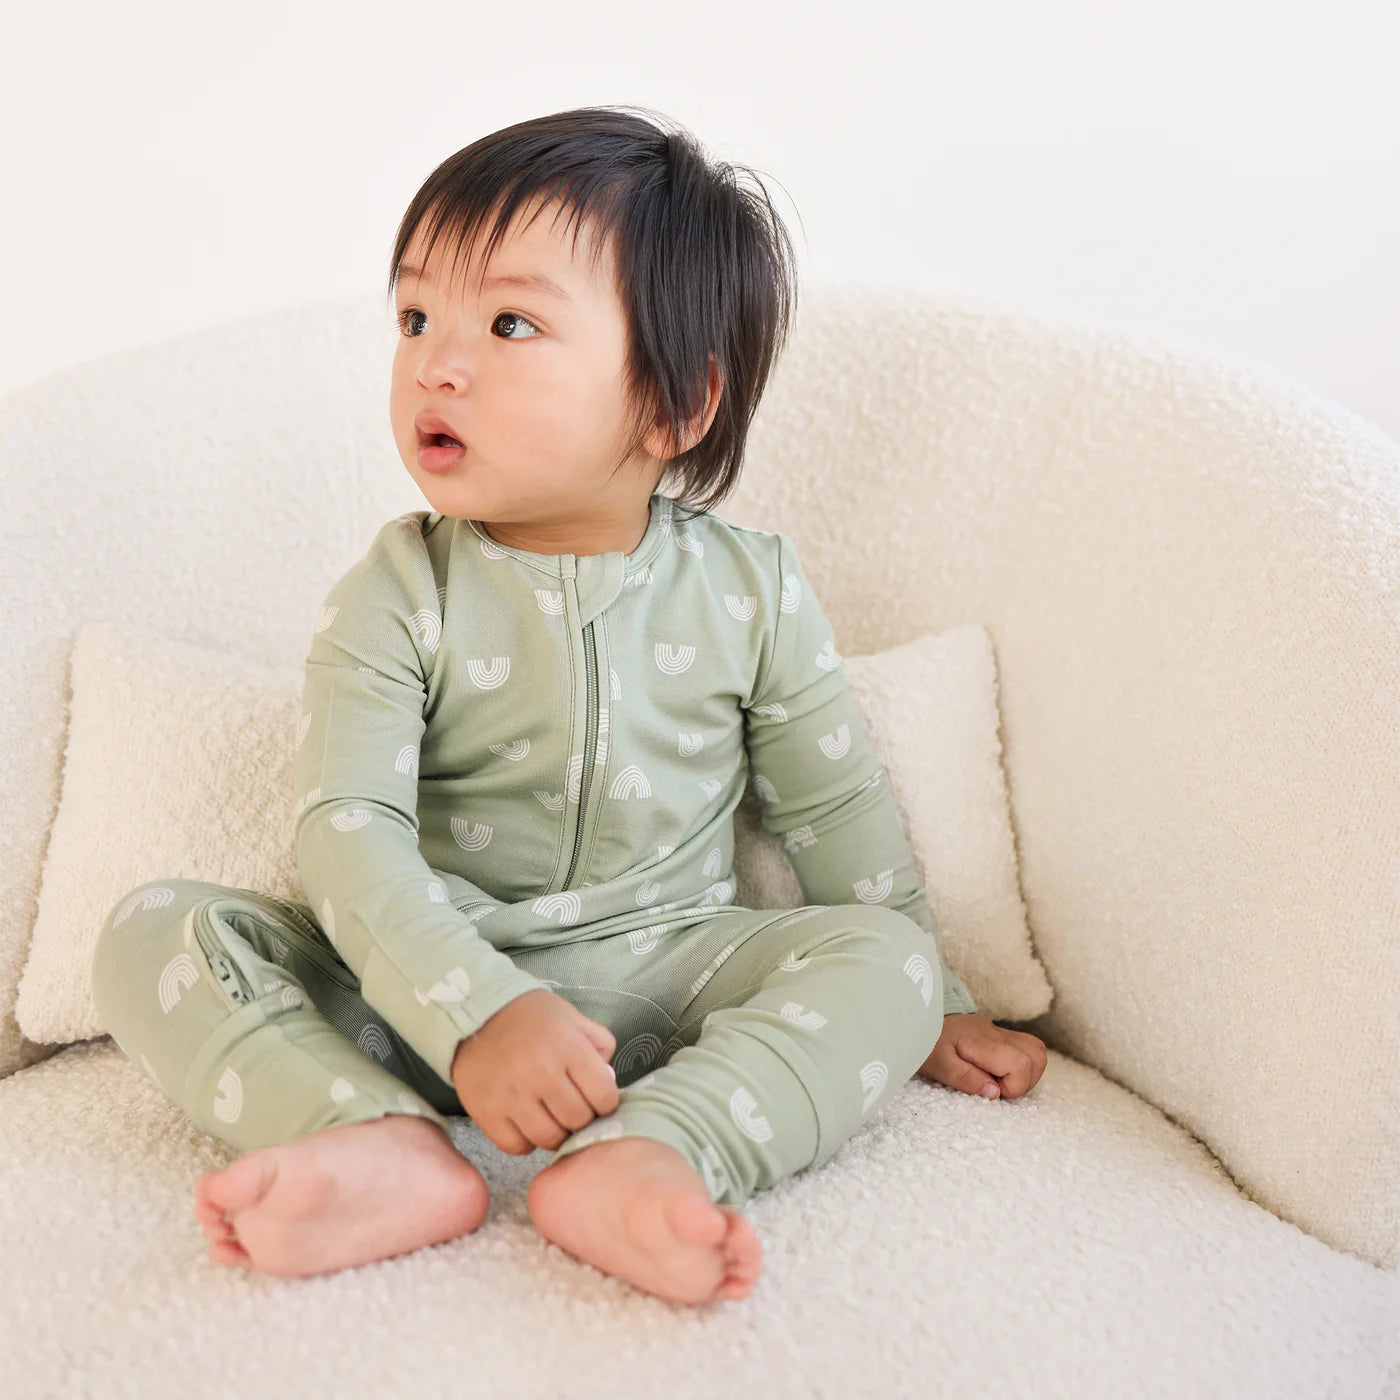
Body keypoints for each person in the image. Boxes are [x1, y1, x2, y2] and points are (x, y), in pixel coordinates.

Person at [91, 104, 1047, 1307]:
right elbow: (347, 832)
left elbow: (835, 811)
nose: (436, 360)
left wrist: (937, 999)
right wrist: (476, 1009)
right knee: (153, 930)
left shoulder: (752, 588)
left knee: (884, 958)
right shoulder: (396, 591)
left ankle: (651, 1148)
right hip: (422, 981)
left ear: (672, 407)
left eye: (507, 321)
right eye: (414, 316)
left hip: (674, 969)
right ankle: (371, 1134)